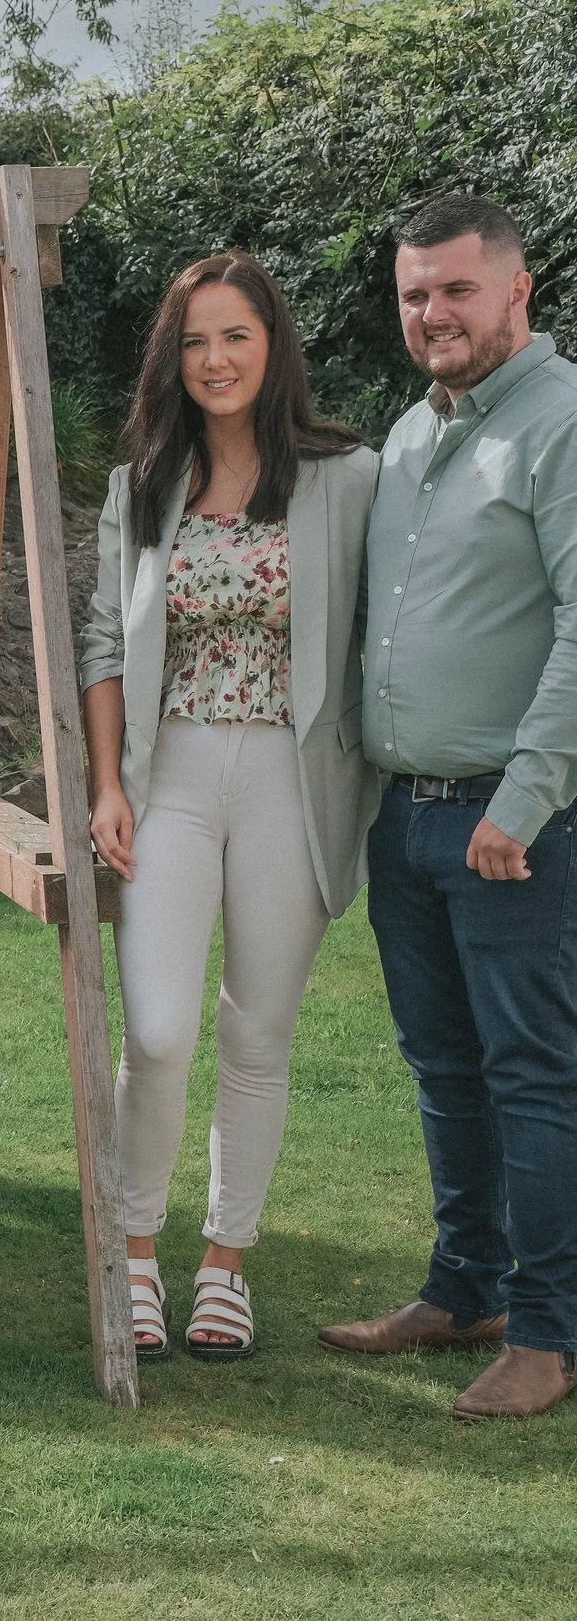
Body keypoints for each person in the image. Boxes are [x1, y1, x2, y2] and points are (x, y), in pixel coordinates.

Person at [79, 254, 378, 1363]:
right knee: (154, 1031)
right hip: (172, 776)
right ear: (174, 356)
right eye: (195, 340)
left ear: (273, 346)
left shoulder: (347, 478)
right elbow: (106, 645)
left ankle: (225, 1264)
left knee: (256, 1030)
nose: (214, 360)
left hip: (293, 785)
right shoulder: (139, 489)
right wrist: (107, 783)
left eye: (235, 337)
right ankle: (136, 1246)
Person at [319, 196, 577, 1421]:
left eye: (456, 291)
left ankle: (547, 1331)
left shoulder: (560, 420)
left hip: (511, 823)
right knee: (442, 1068)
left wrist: (523, 801)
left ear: (516, 290)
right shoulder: (412, 436)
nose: (432, 314)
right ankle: (461, 1286)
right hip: (406, 816)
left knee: (532, 1074)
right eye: (416, 293)